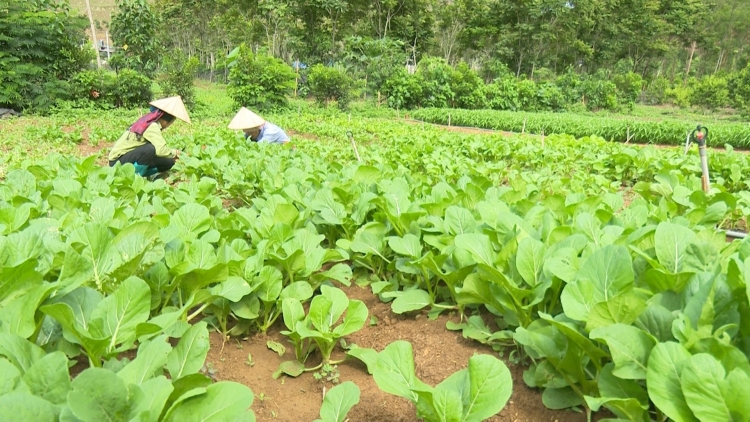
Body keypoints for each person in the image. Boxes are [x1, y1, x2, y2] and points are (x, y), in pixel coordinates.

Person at [108, 96, 191, 177]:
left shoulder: (150, 122)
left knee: (169, 162)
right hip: (116, 162)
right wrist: (176, 153)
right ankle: (135, 177)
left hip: (130, 156)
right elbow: (161, 150)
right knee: (149, 149)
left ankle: (141, 173)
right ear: (168, 121)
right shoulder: (152, 126)